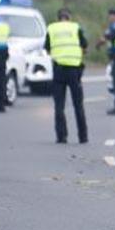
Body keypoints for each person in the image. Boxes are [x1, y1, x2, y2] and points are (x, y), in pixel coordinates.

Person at [44, 8, 89, 143]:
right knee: (78, 105)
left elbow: (47, 47)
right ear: (69, 17)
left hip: (58, 69)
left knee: (59, 106)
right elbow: (85, 46)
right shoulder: (76, 27)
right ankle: (83, 136)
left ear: (59, 18)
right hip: (74, 70)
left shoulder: (52, 28)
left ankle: (61, 136)